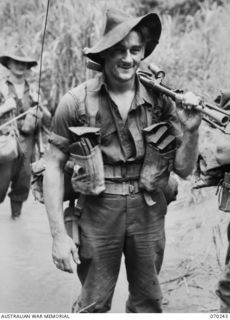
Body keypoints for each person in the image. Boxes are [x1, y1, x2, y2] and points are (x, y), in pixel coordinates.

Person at [43, 9, 202, 313]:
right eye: (119, 50)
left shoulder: (161, 101)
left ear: (142, 53)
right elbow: (52, 165)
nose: (128, 58)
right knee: (92, 304)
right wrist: (58, 237)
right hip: (98, 213)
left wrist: (192, 130)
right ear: (104, 54)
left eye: (135, 50)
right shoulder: (75, 102)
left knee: (148, 304)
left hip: (149, 211)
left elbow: (183, 169)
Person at [0, 45, 43, 219]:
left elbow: (45, 120)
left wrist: (38, 106)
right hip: (5, 143)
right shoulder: (1, 87)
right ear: (8, 64)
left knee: (23, 184)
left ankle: (15, 219)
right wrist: (4, 108)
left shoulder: (33, 90)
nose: (19, 66)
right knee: (0, 185)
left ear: (28, 67)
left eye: (23, 63)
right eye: (16, 62)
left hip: (27, 143)